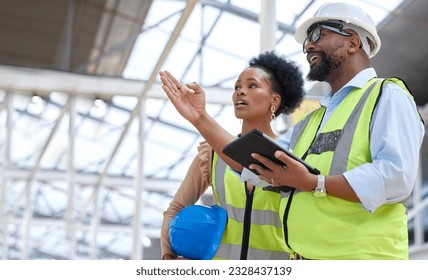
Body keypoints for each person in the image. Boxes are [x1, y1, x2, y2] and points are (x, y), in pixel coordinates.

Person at [159, 2, 425, 260]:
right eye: (307, 39)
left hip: (363, 261)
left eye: (318, 34)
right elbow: (255, 163)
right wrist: (200, 118)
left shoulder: (387, 95)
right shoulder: (313, 121)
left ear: (353, 42)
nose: (309, 44)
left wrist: (314, 183)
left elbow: (395, 178)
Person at [160, 51, 305, 260]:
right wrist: (167, 255)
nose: (240, 92)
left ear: (274, 100)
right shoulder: (212, 153)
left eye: (251, 85)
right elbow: (176, 208)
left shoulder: (292, 155)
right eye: (237, 87)